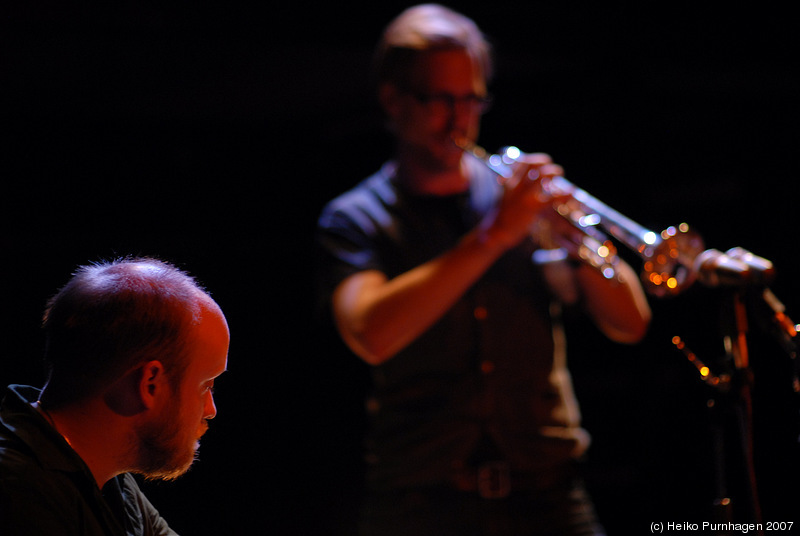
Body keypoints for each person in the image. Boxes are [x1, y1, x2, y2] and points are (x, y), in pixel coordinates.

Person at [316, 4, 652, 535]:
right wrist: (494, 236)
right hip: (419, 505)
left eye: (471, 98)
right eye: (439, 100)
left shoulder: (518, 199)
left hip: (550, 495)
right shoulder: (356, 218)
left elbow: (630, 323)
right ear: (392, 100)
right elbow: (370, 332)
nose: (460, 119)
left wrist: (576, 241)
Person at [0, 257, 230, 536]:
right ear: (150, 384)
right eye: (205, 385)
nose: (210, 409)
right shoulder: (21, 495)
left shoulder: (109, 479)